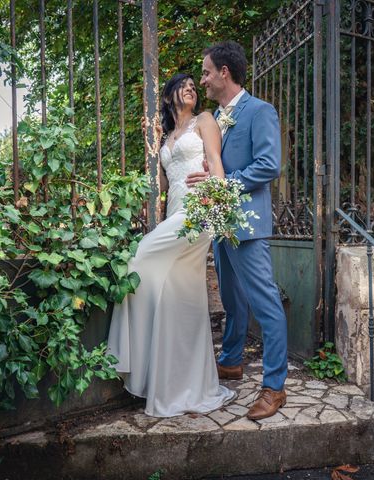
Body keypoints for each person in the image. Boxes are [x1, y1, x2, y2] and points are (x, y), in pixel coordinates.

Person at [107, 73, 235, 417]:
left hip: (200, 208)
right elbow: (160, 184)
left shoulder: (205, 120)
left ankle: (130, 357)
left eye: (195, 85)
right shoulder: (165, 135)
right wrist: (154, 145)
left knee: (141, 256)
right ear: (168, 96)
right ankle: (183, 386)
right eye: (184, 85)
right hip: (175, 211)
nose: (192, 88)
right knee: (180, 296)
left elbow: (216, 162)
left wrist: (216, 194)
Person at [186, 40, 288, 420]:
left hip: (248, 225)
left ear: (224, 73)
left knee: (265, 305)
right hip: (221, 224)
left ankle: (275, 386)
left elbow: (268, 165)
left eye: (207, 72)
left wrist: (222, 184)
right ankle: (230, 361)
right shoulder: (216, 116)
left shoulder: (260, 111)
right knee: (232, 299)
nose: (203, 79)